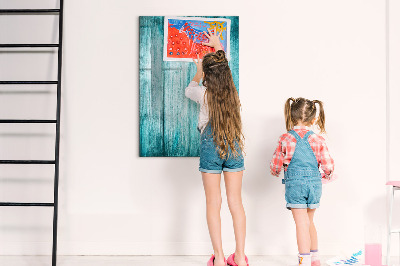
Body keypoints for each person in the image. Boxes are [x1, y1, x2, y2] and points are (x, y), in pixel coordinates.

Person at [185, 28, 248, 266]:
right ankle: (240, 257)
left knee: (214, 203)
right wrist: (219, 46)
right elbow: (225, 70)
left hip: (211, 147)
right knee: (236, 202)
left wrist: (198, 71)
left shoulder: (203, 94)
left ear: (208, 77)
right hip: (233, 146)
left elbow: (188, 89)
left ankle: (220, 258)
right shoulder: (232, 93)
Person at [270, 98, 335, 266]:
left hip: (295, 186)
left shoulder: (285, 138)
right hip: (314, 185)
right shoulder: (318, 139)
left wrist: (275, 171)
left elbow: (275, 164)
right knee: (309, 222)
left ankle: (304, 261)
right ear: (313, 120)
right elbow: (328, 165)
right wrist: (327, 176)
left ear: (291, 117)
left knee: (301, 224)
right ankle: (315, 260)